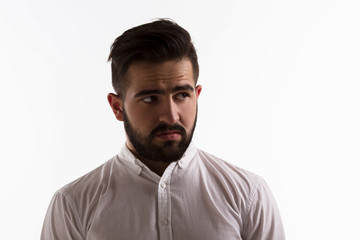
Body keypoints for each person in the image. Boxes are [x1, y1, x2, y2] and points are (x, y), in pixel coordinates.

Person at [41, 19, 285, 240]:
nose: (170, 115)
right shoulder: (73, 205)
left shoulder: (249, 195)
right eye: (150, 99)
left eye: (181, 95)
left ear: (196, 96)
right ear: (117, 107)